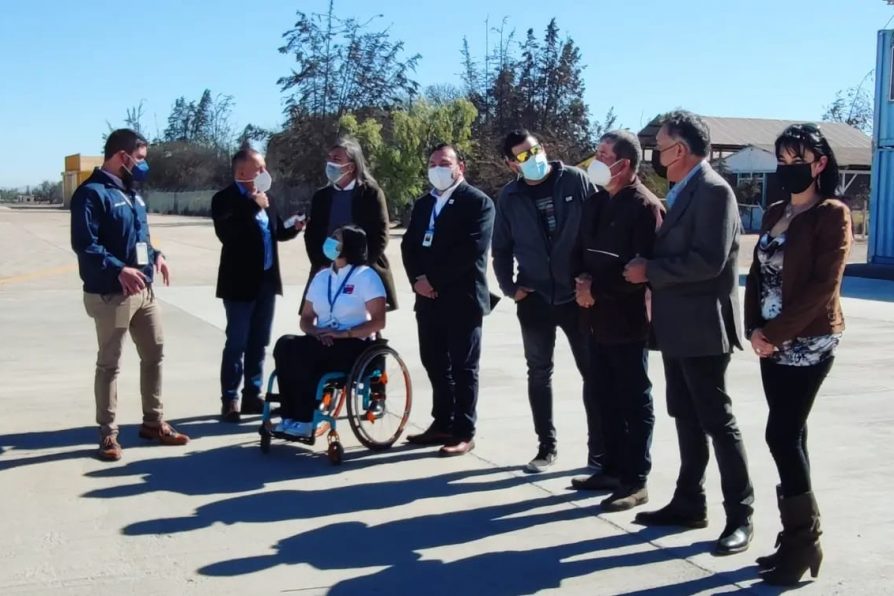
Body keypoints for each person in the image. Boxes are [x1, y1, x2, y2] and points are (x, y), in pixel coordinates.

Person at [623, 110, 754, 555]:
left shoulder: (714, 192)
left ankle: (741, 514)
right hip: (676, 328)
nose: (656, 156)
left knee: (718, 422)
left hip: (703, 328)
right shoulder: (681, 191)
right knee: (685, 417)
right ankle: (688, 501)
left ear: (680, 149)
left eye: (660, 148)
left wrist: (650, 271)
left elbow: (709, 261)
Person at [744, 124, 851, 585]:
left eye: (798, 161)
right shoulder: (774, 212)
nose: (789, 170)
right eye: (782, 162)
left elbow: (822, 287)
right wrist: (754, 329)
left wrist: (777, 333)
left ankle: (805, 539)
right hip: (769, 341)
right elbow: (756, 272)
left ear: (820, 163)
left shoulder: (832, 214)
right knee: (793, 437)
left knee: (781, 436)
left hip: (808, 342)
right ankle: (796, 541)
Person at [70, 128, 189, 461]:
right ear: (121, 156)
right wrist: (118, 269)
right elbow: (85, 244)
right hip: (112, 293)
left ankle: (153, 421)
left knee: (155, 354)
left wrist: (157, 255)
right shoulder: (91, 194)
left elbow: (140, 239)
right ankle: (107, 433)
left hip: (144, 291)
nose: (142, 166)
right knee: (109, 364)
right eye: (139, 159)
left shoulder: (133, 194)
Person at [491, 129, 602, 473]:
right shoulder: (509, 197)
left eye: (535, 150)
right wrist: (511, 288)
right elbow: (501, 249)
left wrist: (591, 279)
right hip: (535, 297)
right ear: (511, 164)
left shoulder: (576, 181)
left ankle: (598, 452)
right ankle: (546, 447)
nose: (533, 158)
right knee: (539, 372)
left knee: (594, 373)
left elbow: (597, 230)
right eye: (523, 156)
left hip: (577, 296)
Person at [571, 130, 663, 511]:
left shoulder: (645, 207)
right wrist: (580, 283)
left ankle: (635, 478)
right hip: (593, 316)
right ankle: (609, 467)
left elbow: (641, 271)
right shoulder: (595, 202)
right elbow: (577, 250)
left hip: (626, 321)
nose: (596, 160)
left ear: (624, 164)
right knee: (601, 394)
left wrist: (597, 289)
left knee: (632, 398)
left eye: (603, 154)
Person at [401, 143, 497, 456]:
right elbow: (409, 246)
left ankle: (464, 431)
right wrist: (418, 280)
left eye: (444, 162)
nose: (437, 168)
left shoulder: (478, 203)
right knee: (434, 362)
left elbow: (471, 250)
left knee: (463, 367)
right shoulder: (423, 204)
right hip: (427, 299)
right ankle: (441, 421)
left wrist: (435, 279)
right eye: (432, 163)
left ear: (460, 167)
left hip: (462, 299)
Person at [212, 147, 305, 423]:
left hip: (266, 282)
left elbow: (275, 232)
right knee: (236, 342)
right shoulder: (225, 200)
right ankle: (230, 398)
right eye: (259, 168)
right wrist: (253, 204)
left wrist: (294, 228)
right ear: (242, 172)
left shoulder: (269, 200)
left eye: (265, 167)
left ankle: (253, 394)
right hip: (238, 285)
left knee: (259, 342)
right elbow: (227, 234)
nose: (265, 173)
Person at [273, 225, 386, 437]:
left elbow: (379, 322)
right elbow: (306, 318)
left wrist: (344, 334)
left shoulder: (366, 276)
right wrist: (315, 331)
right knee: (285, 345)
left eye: (337, 238)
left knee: (309, 356)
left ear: (350, 246)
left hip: (353, 343)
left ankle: (306, 420)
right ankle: (289, 415)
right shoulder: (322, 276)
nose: (331, 241)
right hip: (322, 338)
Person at [303, 137, 396, 311]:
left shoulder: (371, 193)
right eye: (329, 158)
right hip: (326, 269)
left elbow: (380, 235)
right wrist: (320, 262)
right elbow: (312, 234)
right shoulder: (321, 196)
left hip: (363, 269)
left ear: (351, 166)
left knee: (363, 325)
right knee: (320, 321)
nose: (330, 163)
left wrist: (360, 267)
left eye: (336, 159)